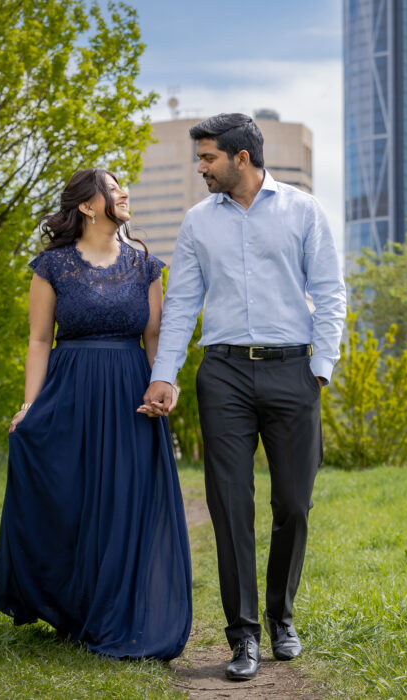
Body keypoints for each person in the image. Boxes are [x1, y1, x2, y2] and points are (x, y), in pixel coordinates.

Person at [141, 113, 346, 681]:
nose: (199, 168)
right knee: (230, 507)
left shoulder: (304, 211)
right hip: (224, 373)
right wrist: (166, 374)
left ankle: (282, 616)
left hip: (292, 373)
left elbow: (329, 292)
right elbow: (181, 304)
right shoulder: (197, 223)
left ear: (242, 158)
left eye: (207, 158)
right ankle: (243, 636)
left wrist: (320, 371)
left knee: (293, 505)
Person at [0, 168, 192, 661]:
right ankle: (69, 610)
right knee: (71, 501)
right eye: (113, 186)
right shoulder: (51, 266)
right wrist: (29, 405)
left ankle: (119, 613)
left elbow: (155, 338)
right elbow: (38, 341)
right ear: (88, 205)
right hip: (70, 392)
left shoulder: (145, 265)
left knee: (124, 503)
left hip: (129, 397)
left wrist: (166, 384)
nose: (124, 193)